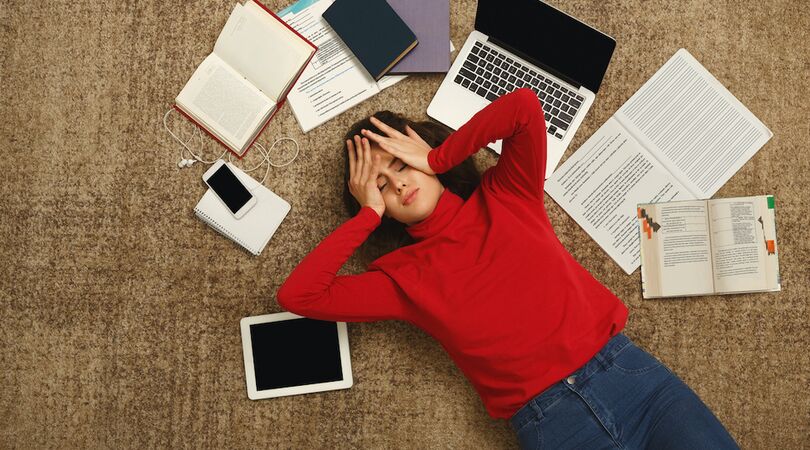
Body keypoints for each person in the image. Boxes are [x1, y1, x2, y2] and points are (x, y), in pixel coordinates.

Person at [276, 89, 740, 449]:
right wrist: (367, 215)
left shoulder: (507, 192)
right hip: (552, 425)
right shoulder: (398, 279)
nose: (398, 181)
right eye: (380, 185)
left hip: (633, 382)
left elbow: (523, 107)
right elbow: (300, 296)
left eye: (401, 163)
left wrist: (438, 156)